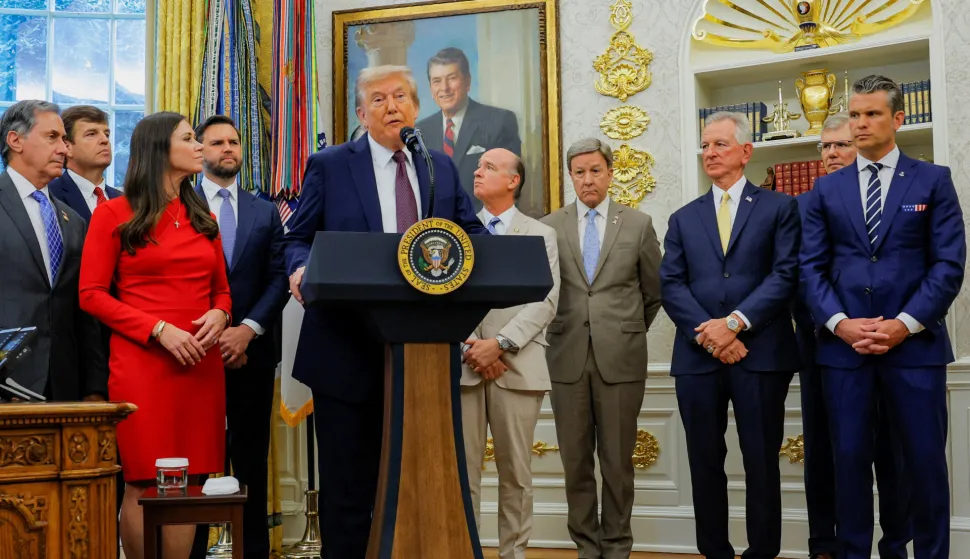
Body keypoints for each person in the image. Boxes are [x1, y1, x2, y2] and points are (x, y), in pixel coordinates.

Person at [284, 65, 487, 558]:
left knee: (420, 481)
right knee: (350, 487)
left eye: (400, 96)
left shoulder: (438, 165)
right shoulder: (330, 164)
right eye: (378, 99)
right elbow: (297, 238)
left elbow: (471, 236)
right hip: (345, 350)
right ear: (361, 112)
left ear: (416, 108)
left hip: (423, 354)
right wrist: (300, 268)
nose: (392, 106)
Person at [800, 75, 965, 559]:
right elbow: (810, 270)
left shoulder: (933, 180)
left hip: (914, 351)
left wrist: (903, 324)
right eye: (854, 114)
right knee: (847, 464)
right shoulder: (824, 192)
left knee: (923, 466)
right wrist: (841, 324)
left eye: (871, 114)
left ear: (898, 118)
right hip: (843, 353)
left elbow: (948, 265)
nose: (860, 123)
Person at [79, 111, 233, 559]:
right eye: (190, 139)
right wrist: (157, 329)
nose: (200, 146)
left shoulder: (201, 213)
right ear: (158, 149)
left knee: (189, 484)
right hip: (143, 367)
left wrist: (222, 315)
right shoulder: (114, 212)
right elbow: (90, 295)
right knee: (146, 480)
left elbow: (222, 290)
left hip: (201, 369)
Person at [661, 111, 801, 559]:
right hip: (698, 358)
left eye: (719, 144)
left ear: (745, 151)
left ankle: (762, 552)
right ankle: (714, 552)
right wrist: (710, 335)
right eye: (705, 145)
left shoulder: (780, 208)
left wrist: (735, 323)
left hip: (760, 354)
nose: (709, 153)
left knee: (761, 462)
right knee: (704, 463)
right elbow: (671, 285)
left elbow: (785, 275)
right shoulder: (684, 218)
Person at [796, 112, 911, 559]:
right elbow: (799, 277)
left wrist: (888, 325)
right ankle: (829, 544)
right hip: (825, 347)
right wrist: (836, 324)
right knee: (832, 453)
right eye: (824, 147)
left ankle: (896, 545)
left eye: (840, 145)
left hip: (894, 340)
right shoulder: (805, 204)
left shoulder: (901, 192)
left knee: (895, 453)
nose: (831, 155)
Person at [539, 138, 661, 559]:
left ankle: (617, 547)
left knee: (617, 464)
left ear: (610, 173)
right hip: (565, 357)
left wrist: (624, 331)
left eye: (595, 170)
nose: (587, 179)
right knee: (575, 464)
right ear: (570, 176)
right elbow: (543, 293)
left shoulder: (638, 224)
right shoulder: (550, 226)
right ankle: (586, 548)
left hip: (621, 360)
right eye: (579, 172)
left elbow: (653, 293)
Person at [189, 114, 289, 559]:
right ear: (199, 151)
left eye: (233, 142)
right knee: (193, 466)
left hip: (252, 353)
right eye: (216, 143)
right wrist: (212, 338)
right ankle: (188, 550)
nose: (227, 149)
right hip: (190, 354)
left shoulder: (264, 209)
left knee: (250, 462)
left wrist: (246, 332)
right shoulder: (177, 203)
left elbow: (279, 277)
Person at [460, 148, 559, 559]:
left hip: (518, 367)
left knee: (516, 473)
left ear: (513, 180)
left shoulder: (540, 234)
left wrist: (499, 345)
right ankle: (464, 548)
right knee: (462, 472)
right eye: (478, 167)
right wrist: (475, 347)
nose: (477, 173)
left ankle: (512, 554)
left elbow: (546, 300)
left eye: (489, 168)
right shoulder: (457, 233)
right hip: (465, 366)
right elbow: (444, 294)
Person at [0, 99, 106, 402]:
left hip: (65, 385)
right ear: (15, 140)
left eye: (63, 139)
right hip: (7, 382)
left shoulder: (73, 221)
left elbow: (84, 312)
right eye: (52, 138)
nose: (64, 148)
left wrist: (95, 387)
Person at [415, 47, 521, 209]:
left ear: (467, 82)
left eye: (452, 78)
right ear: (431, 88)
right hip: (435, 229)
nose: (444, 88)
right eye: (437, 81)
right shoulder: (420, 131)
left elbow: (506, 185)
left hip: (482, 228)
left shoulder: (499, 121)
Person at [48, 105, 123, 220]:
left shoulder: (124, 200)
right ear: (67, 147)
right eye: (91, 134)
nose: (105, 140)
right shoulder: (50, 196)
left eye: (106, 134)